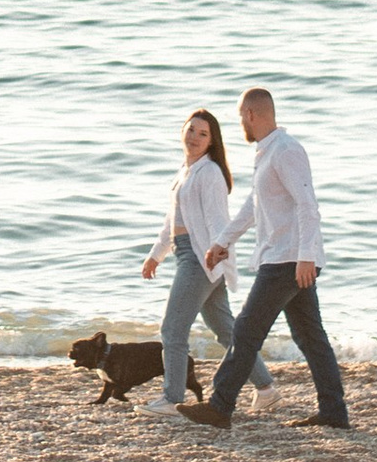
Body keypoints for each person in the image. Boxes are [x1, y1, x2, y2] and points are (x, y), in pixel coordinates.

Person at [186, 85, 349, 431]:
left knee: (246, 330)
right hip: (285, 256)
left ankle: (219, 406)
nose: (240, 124)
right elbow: (253, 207)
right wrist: (222, 241)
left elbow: (307, 204)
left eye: (240, 117)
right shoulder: (267, 153)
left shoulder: (286, 151)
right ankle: (334, 412)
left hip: (289, 259)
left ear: (250, 115)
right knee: (310, 337)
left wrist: (306, 256)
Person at [140, 108, 274, 411]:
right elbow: (171, 221)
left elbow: (217, 220)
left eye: (203, 134)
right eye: (191, 130)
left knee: (172, 329)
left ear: (212, 141)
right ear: (182, 131)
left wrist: (217, 251)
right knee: (226, 331)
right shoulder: (186, 171)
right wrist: (155, 256)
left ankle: (172, 399)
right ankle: (266, 388)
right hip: (186, 252)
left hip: (200, 258)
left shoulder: (210, 172)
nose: (194, 137)